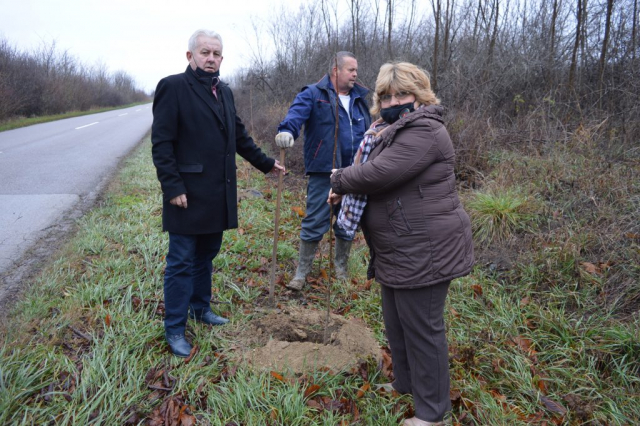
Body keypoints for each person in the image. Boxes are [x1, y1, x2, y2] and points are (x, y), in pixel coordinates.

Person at [328, 62, 474, 426]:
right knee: (397, 323)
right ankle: (406, 384)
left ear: (420, 95)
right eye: (387, 96)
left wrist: (339, 179)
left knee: (423, 329)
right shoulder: (386, 129)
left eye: (402, 94)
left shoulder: (424, 129)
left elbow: (380, 173)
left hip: (426, 248)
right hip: (399, 247)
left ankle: (432, 413)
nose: (394, 101)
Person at [151, 29, 284, 358]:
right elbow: (162, 143)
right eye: (205, 52)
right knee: (180, 261)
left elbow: (239, 136)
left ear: (222, 58)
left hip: (217, 192)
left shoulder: (223, 91)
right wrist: (172, 186)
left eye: (216, 53)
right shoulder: (173, 87)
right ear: (190, 56)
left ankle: (200, 308)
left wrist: (266, 164)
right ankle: (175, 327)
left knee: (206, 256)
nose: (211, 58)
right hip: (186, 194)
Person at [275, 51, 371, 290]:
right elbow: (295, 116)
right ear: (336, 71)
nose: (355, 74)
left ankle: (340, 270)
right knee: (316, 220)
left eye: (356, 70)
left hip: (355, 172)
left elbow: (371, 133)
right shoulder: (313, 94)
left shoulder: (360, 99)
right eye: (351, 70)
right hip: (324, 171)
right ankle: (301, 273)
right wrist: (287, 131)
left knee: (347, 220)